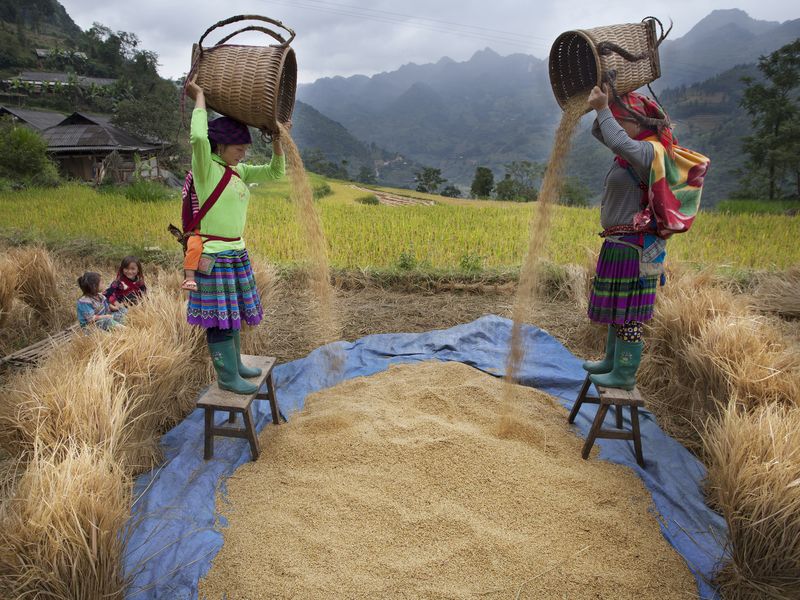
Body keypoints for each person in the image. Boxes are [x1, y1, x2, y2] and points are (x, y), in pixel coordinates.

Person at [184, 78, 288, 394]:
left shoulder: (238, 171)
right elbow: (198, 137)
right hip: (213, 257)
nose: (243, 153)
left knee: (233, 313)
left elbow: (275, 172)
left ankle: (237, 364)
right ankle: (227, 377)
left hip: (236, 253)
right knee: (218, 320)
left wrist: (276, 141)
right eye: (239, 148)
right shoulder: (206, 168)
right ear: (221, 146)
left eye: (245, 148)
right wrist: (200, 97)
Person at [582, 84, 673, 391]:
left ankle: (624, 373)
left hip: (636, 249)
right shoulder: (627, 153)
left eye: (624, 119)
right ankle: (610, 361)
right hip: (619, 244)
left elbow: (618, 140)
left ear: (640, 123)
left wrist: (603, 109)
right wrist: (600, 105)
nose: (618, 125)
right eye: (617, 119)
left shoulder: (649, 152)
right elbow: (606, 134)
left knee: (630, 314)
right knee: (619, 311)